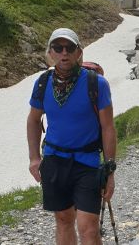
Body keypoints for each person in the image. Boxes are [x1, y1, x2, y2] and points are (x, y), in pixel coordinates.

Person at [27, 28, 116, 245]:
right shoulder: (42, 83)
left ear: (79, 53)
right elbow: (33, 120)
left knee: (88, 227)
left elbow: (108, 128)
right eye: (58, 48)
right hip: (55, 161)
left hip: (87, 162)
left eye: (70, 48)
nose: (64, 53)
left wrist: (110, 169)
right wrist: (34, 158)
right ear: (50, 53)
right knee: (64, 219)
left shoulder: (96, 84)